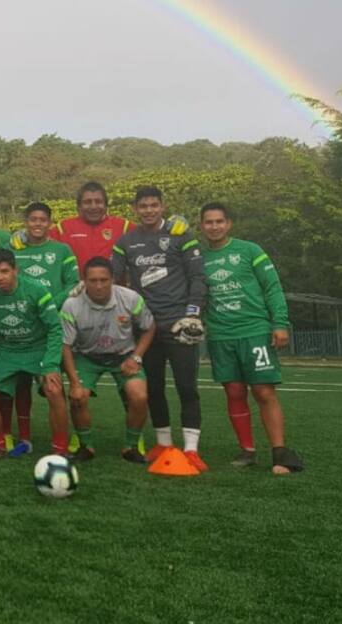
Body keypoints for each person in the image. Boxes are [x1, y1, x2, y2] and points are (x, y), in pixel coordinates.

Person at [199, 203, 303, 473]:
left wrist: (280, 323)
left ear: (229, 223)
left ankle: (279, 451)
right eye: (209, 222)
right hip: (221, 335)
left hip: (254, 331)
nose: (214, 226)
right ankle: (247, 450)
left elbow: (272, 287)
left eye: (219, 221)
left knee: (263, 391)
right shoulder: (198, 258)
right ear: (202, 226)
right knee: (234, 392)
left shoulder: (250, 250)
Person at [112, 186, 208, 469]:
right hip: (147, 326)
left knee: (186, 386)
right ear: (135, 209)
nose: (149, 210)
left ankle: (191, 449)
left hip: (180, 323)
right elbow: (115, 280)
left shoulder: (181, 234)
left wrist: (193, 313)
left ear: (163, 206)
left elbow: (198, 277)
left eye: (154, 205)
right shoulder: (126, 241)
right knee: (153, 386)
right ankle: (163, 442)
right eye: (143, 206)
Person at [0, 249, 68, 458]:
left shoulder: (36, 290)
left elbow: (54, 328)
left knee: (54, 390)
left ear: (16, 270)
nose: (0, 277)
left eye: (4, 271)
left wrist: (51, 364)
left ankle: (60, 450)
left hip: (37, 348)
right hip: (7, 350)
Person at [60, 256, 154, 463]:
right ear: (84, 281)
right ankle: (85, 445)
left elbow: (149, 328)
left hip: (124, 356)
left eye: (104, 280)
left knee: (139, 396)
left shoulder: (130, 298)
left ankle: (131, 445)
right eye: (92, 280)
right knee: (78, 397)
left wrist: (136, 358)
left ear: (113, 279)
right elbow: (65, 345)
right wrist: (74, 383)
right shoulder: (71, 305)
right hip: (87, 357)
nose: (99, 285)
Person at [6, 202, 80, 452]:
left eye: (42, 220)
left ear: (50, 223)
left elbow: (73, 283)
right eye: (32, 219)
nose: (37, 224)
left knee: (54, 385)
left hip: (51, 325)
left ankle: (64, 440)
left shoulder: (61, 250)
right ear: (25, 222)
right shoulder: (14, 248)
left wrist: (47, 305)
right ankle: (24, 438)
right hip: (21, 326)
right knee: (21, 385)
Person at [50, 181, 133, 274]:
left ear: (106, 205)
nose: (93, 206)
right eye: (87, 202)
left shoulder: (124, 227)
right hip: (75, 283)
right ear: (79, 206)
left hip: (114, 283)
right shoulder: (62, 228)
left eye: (98, 202)